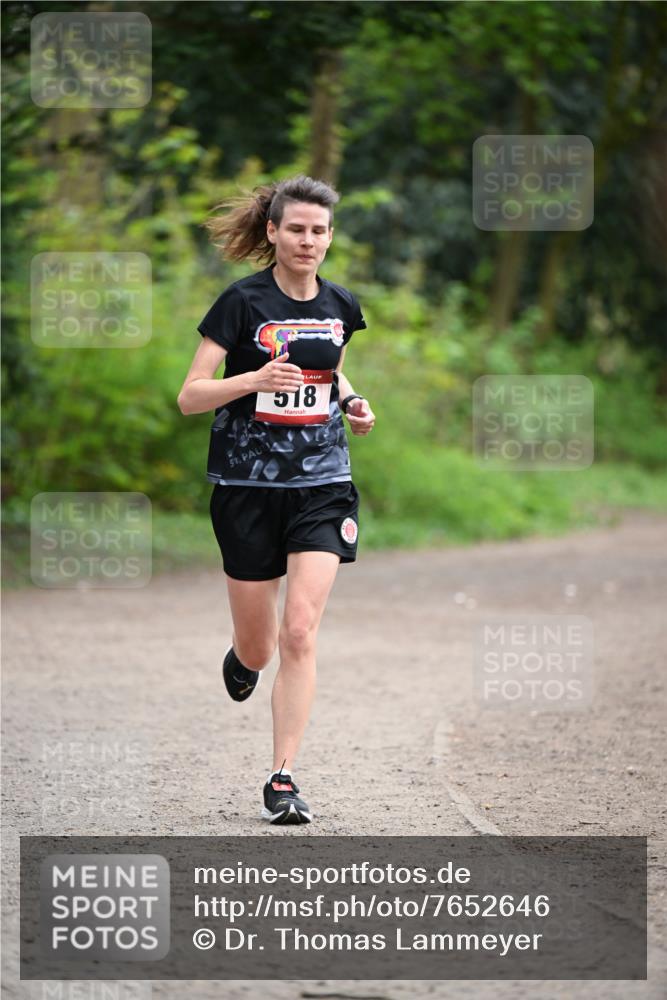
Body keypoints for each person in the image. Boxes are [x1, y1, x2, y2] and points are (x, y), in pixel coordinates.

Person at [177, 174, 375, 825]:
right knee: (260, 646)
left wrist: (349, 400)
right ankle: (242, 658)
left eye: (319, 231)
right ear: (272, 231)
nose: (307, 241)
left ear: (329, 236)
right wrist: (253, 378)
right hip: (246, 488)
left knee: (299, 631)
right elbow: (190, 395)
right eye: (296, 229)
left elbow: (327, 364)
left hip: (321, 484)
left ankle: (282, 777)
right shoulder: (240, 303)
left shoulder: (341, 304)